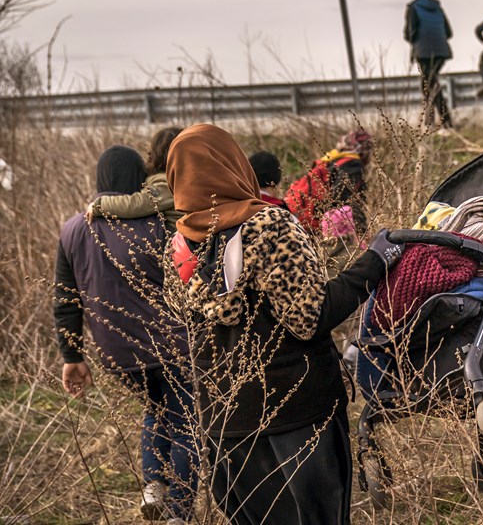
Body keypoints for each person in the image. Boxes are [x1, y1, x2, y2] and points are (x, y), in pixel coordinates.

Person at [165, 124, 402, 525]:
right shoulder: (271, 225)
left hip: (226, 422)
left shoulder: (180, 246)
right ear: (233, 164)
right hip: (298, 410)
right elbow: (309, 317)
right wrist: (373, 264)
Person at [55, 145, 197, 524]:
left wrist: (72, 358)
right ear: (139, 179)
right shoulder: (158, 223)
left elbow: (66, 301)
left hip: (118, 353)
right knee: (185, 419)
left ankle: (153, 486)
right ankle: (179, 513)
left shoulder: (72, 229)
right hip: (171, 343)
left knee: (156, 410)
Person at [88, 127, 183, 230]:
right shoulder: (180, 181)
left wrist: (100, 205)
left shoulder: (168, 183)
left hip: (172, 239)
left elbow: (137, 203)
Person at [404, 0, 453, 128]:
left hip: (424, 52)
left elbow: (409, 33)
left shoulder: (413, 7)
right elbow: (449, 32)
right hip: (442, 51)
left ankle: (445, 122)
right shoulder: (438, 8)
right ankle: (431, 122)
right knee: (429, 83)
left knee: (429, 84)